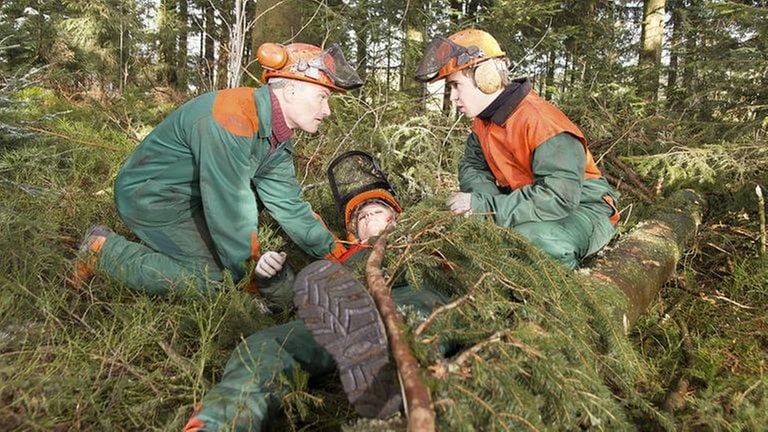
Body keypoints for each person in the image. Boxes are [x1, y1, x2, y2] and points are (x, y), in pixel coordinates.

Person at [68, 42, 363, 296]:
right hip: (151, 198)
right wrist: (251, 277)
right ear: (291, 91)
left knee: (224, 264)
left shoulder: (278, 135)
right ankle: (102, 252)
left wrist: (336, 252)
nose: (326, 110)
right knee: (214, 280)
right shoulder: (232, 118)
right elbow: (229, 206)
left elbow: (288, 203)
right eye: (322, 97)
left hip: (193, 198)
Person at [182, 151, 448, 431]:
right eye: (362, 216)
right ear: (353, 231)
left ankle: (395, 377)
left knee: (419, 326)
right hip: (340, 318)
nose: (368, 217)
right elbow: (298, 304)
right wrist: (274, 279)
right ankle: (218, 423)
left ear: (395, 219)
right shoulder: (338, 262)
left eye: (377, 212)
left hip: (409, 300)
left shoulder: (422, 241)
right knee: (267, 345)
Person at [415, 29, 620, 269]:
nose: (453, 97)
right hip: (526, 204)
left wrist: (486, 207)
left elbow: (559, 197)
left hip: (584, 207)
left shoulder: (541, 122)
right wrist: (484, 209)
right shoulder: (484, 122)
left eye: (456, 86)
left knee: (533, 242)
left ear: (486, 76)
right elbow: (472, 167)